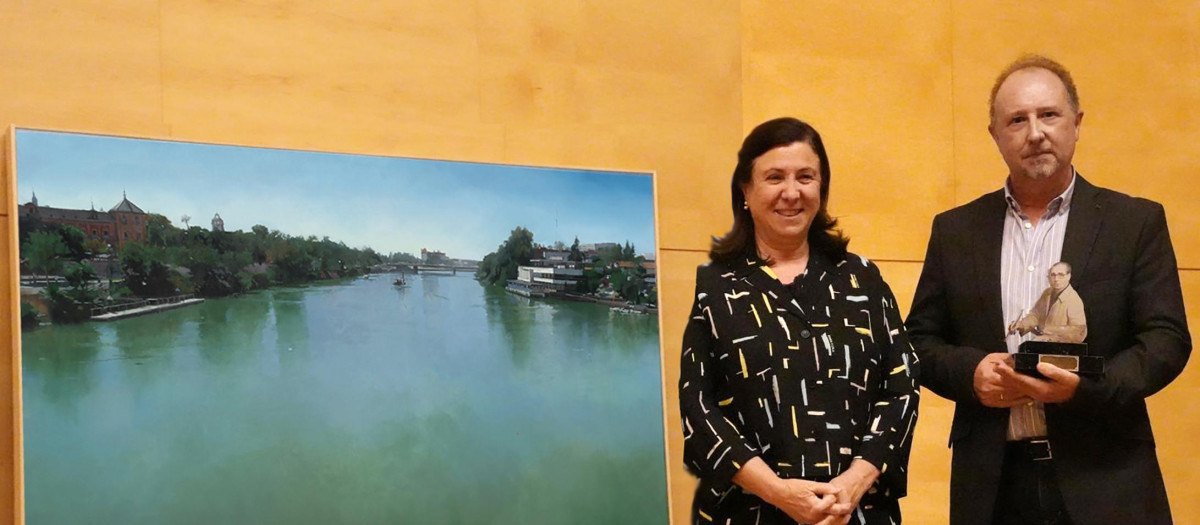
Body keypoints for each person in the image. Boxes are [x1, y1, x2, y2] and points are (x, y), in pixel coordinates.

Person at [906, 54, 1191, 525]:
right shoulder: (956, 231)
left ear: (1076, 124)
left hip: (1108, 478)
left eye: (1049, 115)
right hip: (993, 486)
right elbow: (918, 341)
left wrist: (1086, 387)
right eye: (1017, 120)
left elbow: (1166, 340)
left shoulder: (1133, 223)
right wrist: (971, 372)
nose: (1035, 132)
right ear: (995, 136)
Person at [679, 117, 919, 524]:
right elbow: (698, 409)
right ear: (746, 190)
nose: (791, 193)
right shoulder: (717, 288)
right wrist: (779, 493)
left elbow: (902, 386)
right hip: (750, 513)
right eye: (774, 177)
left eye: (805, 177)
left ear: (821, 188)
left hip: (858, 512)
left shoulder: (862, 279)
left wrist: (855, 482)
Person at [1008, 262, 1086, 344]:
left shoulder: (1073, 299)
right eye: (1053, 275)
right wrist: (1021, 324)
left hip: (1063, 348)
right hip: (1045, 344)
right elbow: (1036, 315)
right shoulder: (1047, 293)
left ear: (1068, 276)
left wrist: (1050, 331)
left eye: (1060, 275)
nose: (1056, 279)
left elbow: (1079, 331)